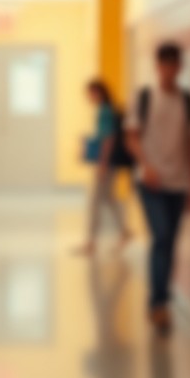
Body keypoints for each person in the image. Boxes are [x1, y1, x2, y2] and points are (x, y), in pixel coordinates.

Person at [124, 42, 190, 338]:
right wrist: (146, 165)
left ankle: (160, 301)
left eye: (174, 65)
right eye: (164, 65)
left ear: (180, 67)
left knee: (170, 244)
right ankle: (159, 304)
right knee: (162, 236)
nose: (169, 71)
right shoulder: (143, 98)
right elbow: (131, 137)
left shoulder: (189, 102)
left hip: (179, 183)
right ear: (157, 66)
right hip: (150, 182)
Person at [74, 80, 133, 256]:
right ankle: (124, 231)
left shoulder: (104, 111)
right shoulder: (105, 110)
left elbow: (108, 139)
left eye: (90, 93)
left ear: (98, 93)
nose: (88, 97)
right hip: (108, 162)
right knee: (108, 198)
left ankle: (90, 242)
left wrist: (102, 163)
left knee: (94, 202)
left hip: (105, 163)